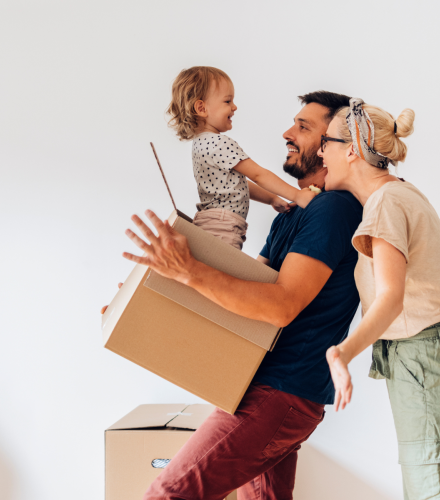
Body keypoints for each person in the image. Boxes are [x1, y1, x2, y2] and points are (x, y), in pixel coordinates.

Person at [121, 91, 360, 500]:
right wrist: (148, 300)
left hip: (280, 392)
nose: (287, 133)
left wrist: (188, 270)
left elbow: (280, 306)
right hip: (263, 388)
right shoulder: (294, 212)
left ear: (332, 144)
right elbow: (242, 292)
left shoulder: (334, 209)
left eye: (303, 127)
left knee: (168, 494)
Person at [321, 98, 440, 500]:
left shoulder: (385, 204)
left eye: (326, 142)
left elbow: (391, 298)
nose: (320, 152)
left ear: (352, 149)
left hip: (430, 367)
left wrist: (342, 353)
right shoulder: (400, 194)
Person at [166, 66, 317, 250]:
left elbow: (237, 183)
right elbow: (258, 175)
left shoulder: (201, 144)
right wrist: (298, 195)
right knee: (223, 267)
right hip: (223, 226)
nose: (234, 107)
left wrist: (271, 199)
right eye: (227, 101)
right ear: (202, 108)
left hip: (210, 223)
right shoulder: (219, 143)